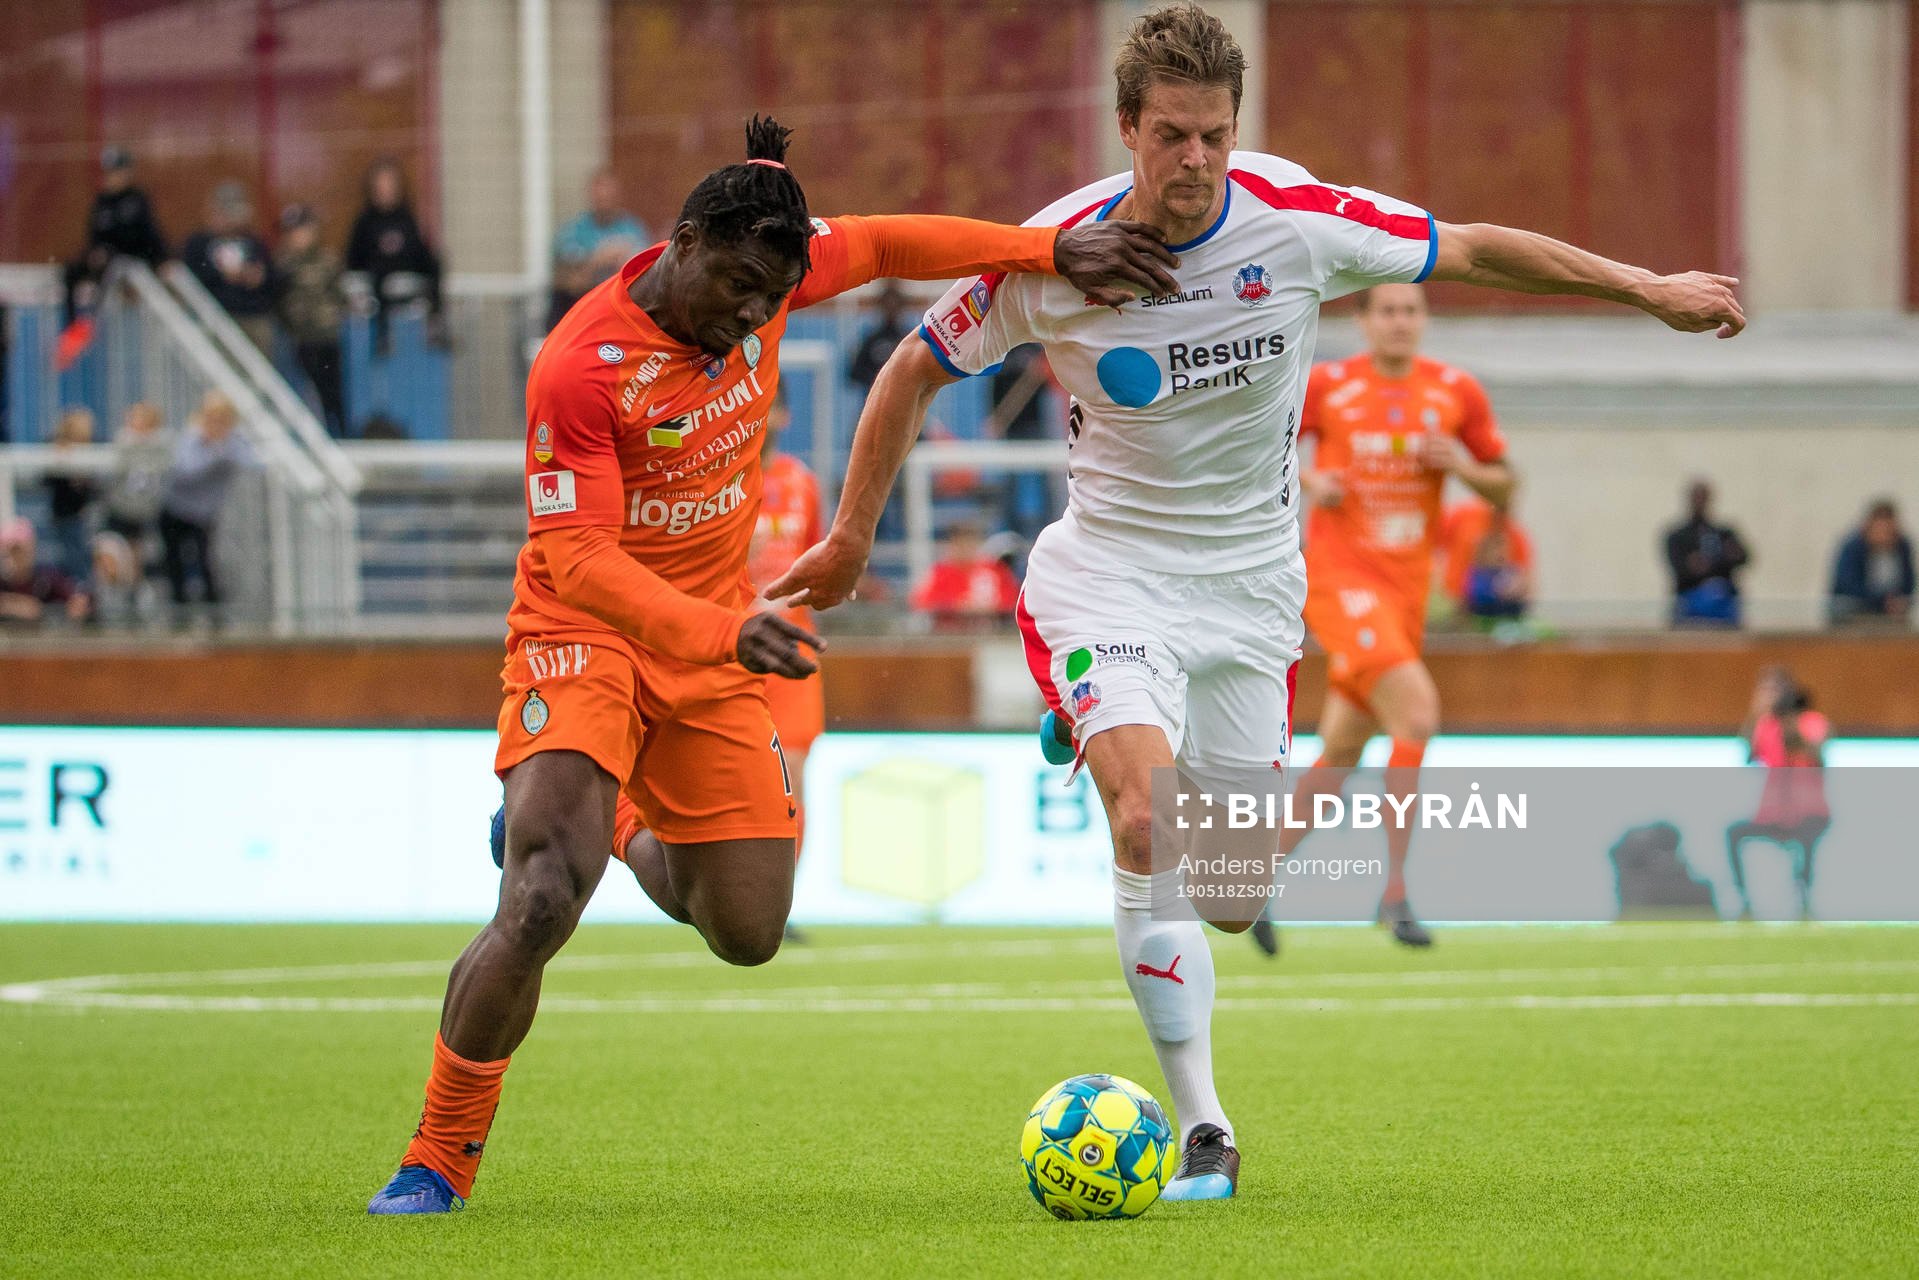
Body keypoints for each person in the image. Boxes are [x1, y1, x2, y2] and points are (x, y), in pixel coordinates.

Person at [767, 2, 1743, 1202]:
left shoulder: (1295, 223)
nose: (1194, 161)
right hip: (1107, 575)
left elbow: (1476, 246)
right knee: (1144, 826)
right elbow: (914, 364)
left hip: (1247, 596)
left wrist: (1647, 287)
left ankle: (1090, 722)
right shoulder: (1053, 252)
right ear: (1125, 126)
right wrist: (852, 533)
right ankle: (1203, 1127)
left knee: (1230, 897)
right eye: (1169, 135)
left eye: (1213, 135)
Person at [366, 115, 1179, 1216]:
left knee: (746, 929)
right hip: (588, 631)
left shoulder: (773, 270)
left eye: (771, 299)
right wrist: (719, 630)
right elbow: (576, 556)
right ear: (685, 241)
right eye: (739, 291)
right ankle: (437, 1156)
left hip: (711, 644)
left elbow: (892, 244)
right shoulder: (580, 368)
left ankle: (605, 816)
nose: (753, 317)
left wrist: (1043, 251)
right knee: (543, 898)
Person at [1245, 282, 1515, 954]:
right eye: (1386, 310)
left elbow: (1506, 483)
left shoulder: (1455, 390)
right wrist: (1310, 482)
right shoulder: (1326, 384)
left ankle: (1249, 884)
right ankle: (1393, 895)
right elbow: (1255, 447)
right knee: (1416, 716)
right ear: (1363, 320)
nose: (1399, 322)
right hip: (1340, 584)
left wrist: (1463, 467)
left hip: (1403, 594)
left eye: (1411, 311)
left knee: (1339, 753)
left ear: (1423, 320)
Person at [1728, 667, 1829, 920]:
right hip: (1774, 814)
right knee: (1734, 834)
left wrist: (1789, 721)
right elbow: (1748, 755)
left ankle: (1804, 902)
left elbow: (1816, 756)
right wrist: (1756, 716)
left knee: (1807, 842)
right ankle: (1745, 903)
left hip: (1809, 811)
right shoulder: (1765, 725)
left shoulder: (1811, 722)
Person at [159, 390, 253, 622]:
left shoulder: (232, 442)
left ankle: (214, 616)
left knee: (206, 562)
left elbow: (253, 460)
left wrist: (223, 446)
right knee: (174, 562)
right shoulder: (193, 437)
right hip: (176, 509)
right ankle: (179, 615)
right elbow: (185, 470)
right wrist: (213, 451)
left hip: (204, 513)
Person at [345, 157, 446, 353]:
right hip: (378, 275)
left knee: (437, 264)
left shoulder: (406, 218)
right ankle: (384, 333)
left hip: (405, 269)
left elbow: (418, 250)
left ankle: (435, 322)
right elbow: (354, 257)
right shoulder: (365, 221)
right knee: (381, 273)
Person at [61, 145, 168, 327]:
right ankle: (73, 324)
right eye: (109, 173)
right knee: (71, 270)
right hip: (106, 256)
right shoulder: (102, 201)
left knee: (110, 272)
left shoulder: (137, 200)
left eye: (117, 171)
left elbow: (148, 235)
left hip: (131, 257)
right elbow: (94, 234)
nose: (112, 177)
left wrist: (161, 259)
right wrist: (96, 252)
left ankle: (92, 320)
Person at [274, 204, 349, 437]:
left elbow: (339, 295)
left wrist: (332, 317)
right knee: (301, 390)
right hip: (298, 338)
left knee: (332, 391)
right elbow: (278, 300)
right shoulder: (283, 265)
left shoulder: (327, 261)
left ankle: (338, 435)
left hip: (326, 336)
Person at [180, 181, 277, 353]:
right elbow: (190, 277)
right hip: (217, 316)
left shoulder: (254, 241)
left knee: (259, 369)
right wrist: (221, 275)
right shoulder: (199, 243)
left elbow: (272, 277)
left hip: (254, 315)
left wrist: (258, 277)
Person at [549, 168, 650, 329]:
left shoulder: (633, 229)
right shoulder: (573, 231)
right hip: (581, 309)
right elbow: (567, 281)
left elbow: (646, 276)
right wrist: (597, 260)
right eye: (600, 196)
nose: (604, 200)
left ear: (618, 196)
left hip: (621, 311)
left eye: (609, 195)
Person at [1664, 479, 1749, 627]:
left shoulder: (1724, 533)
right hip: (1690, 601)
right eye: (1696, 497)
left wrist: (1710, 562)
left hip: (1724, 601)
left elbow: (1743, 557)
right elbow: (1681, 568)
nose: (1700, 501)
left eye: (1703, 497)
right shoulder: (1677, 536)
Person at [908, 518, 1020, 627]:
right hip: (953, 637)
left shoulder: (995, 570)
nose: (965, 547)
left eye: (970, 541)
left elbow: (1013, 602)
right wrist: (955, 607)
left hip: (991, 634)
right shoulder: (940, 572)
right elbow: (921, 602)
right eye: (960, 542)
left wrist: (987, 608)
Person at [1438, 496, 1534, 620]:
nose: (1500, 554)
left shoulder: (1515, 536)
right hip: (1457, 600)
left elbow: (1525, 578)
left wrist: (1515, 588)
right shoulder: (1464, 516)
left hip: (1496, 609)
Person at [1828, 498, 1913, 625]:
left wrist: (1899, 601)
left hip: (1891, 615)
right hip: (1854, 613)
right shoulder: (1853, 547)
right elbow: (1848, 585)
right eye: (1880, 531)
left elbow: (1908, 582)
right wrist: (1882, 601)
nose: (1885, 536)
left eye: (1889, 531)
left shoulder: (1902, 547)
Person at [103, 402, 172, 557]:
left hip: (148, 508)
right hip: (121, 505)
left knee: (142, 549)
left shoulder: (161, 445)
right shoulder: (123, 441)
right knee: (115, 545)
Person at [41, 408, 101, 580]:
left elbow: (95, 485)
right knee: (69, 552)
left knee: (83, 550)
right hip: (63, 510)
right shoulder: (54, 444)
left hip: (85, 511)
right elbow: (46, 480)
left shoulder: (92, 447)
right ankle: (73, 585)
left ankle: (82, 585)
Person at [0, 518, 90, 628]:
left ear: (31, 549)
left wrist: (42, 611)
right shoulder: (3, 583)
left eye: (18, 551)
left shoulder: (48, 578)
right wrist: (11, 605)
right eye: (9, 551)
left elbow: (78, 604)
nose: (14, 557)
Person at [846, 280, 915, 393]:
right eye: (887, 305)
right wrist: (878, 379)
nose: (891, 309)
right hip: (875, 402)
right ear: (881, 306)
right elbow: (854, 372)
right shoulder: (871, 339)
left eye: (895, 305)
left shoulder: (908, 339)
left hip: (905, 402)